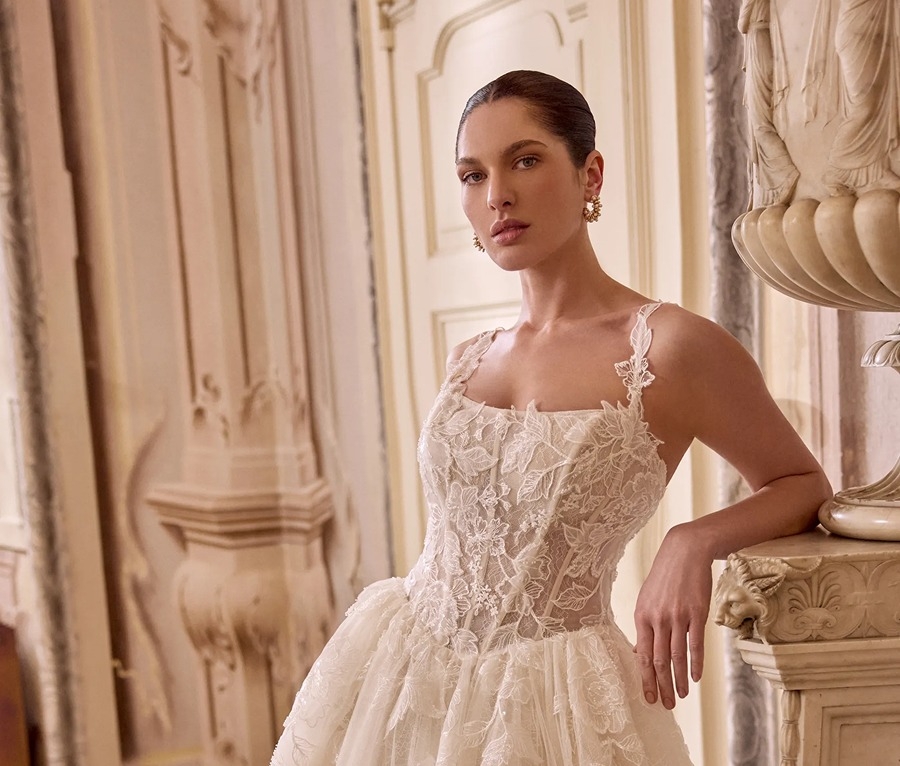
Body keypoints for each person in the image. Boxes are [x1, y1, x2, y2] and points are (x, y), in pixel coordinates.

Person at [270, 70, 831, 766]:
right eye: (472, 176)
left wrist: (692, 541)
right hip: (403, 672)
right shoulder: (469, 357)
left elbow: (802, 482)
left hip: (554, 705)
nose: (496, 193)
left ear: (590, 173)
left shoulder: (672, 347)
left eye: (525, 160)